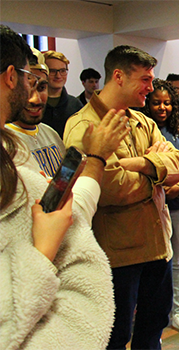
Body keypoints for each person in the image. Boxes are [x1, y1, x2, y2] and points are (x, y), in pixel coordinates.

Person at [0, 24, 130, 350]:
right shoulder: (13, 153)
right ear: (11, 77)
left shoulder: (45, 136)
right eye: (30, 79)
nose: (35, 93)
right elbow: (66, 212)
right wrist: (98, 158)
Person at [64, 45, 179, 350]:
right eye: (145, 80)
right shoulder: (83, 125)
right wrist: (155, 177)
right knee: (115, 338)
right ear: (118, 76)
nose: (151, 87)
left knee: (152, 328)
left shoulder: (141, 120)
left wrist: (140, 164)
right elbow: (107, 189)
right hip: (118, 257)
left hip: (158, 247)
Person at [141, 79, 179, 337]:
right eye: (156, 103)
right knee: (153, 263)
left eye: (167, 103)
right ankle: (153, 315)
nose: (162, 108)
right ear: (148, 104)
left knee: (177, 261)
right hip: (149, 206)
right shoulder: (141, 130)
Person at [6, 47, 65, 177]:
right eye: (27, 87)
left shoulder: (51, 134)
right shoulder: (5, 142)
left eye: (41, 88)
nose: (36, 99)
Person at [41, 50, 83, 137]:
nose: (58, 76)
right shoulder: (34, 104)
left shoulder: (75, 105)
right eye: (52, 71)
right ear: (43, 72)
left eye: (62, 71)